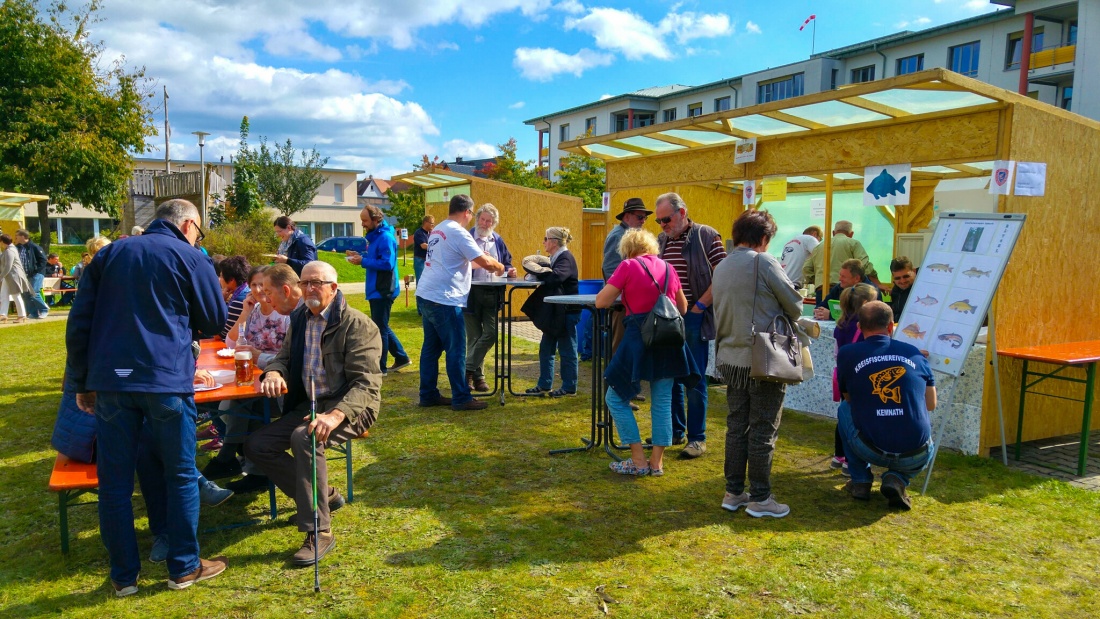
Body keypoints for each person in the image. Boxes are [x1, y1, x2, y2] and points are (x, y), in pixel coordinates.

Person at [65, 199, 228, 595]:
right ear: (189, 224)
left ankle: (123, 577)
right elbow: (214, 320)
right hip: (164, 380)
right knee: (182, 474)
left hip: (111, 382)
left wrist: (81, 382)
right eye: (199, 231)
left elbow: (79, 321)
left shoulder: (109, 254)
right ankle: (184, 567)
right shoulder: (190, 256)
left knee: (116, 483)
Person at [245, 260, 383, 566]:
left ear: (333, 288)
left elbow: (366, 384)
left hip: (351, 409)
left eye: (316, 283)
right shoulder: (301, 320)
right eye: (305, 283)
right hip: (307, 406)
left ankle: (319, 531)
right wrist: (274, 373)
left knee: (304, 438)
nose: (309, 289)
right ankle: (326, 495)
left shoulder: (358, 325)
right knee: (256, 445)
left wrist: (335, 415)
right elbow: (283, 358)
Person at [712, 209, 803, 519]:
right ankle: (761, 498)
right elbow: (794, 304)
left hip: (730, 356)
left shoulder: (722, 265)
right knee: (763, 428)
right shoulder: (763, 262)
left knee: (737, 427)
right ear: (763, 238)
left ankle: (734, 491)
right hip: (762, 357)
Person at [597, 229, 696, 477]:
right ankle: (656, 463)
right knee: (662, 402)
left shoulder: (628, 266)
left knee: (614, 398)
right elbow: (682, 307)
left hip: (638, 338)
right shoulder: (669, 268)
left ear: (627, 249)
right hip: (668, 339)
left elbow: (601, 302)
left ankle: (638, 460)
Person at [837, 301, 936, 510]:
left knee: (844, 410)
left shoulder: (847, 353)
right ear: (891, 326)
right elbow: (931, 404)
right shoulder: (915, 353)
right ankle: (898, 478)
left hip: (869, 448)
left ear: (859, 327)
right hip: (916, 453)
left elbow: (848, 398)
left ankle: (860, 480)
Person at [415, 195, 506, 411]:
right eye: (473, 214)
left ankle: (427, 394)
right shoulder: (458, 232)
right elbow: (484, 262)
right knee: (456, 349)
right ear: (467, 212)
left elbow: (457, 262)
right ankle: (461, 396)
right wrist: (500, 266)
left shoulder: (438, 230)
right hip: (445, 299)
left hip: (428, 294)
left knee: (431, 349)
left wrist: (483, 261)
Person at [655, 192, 726, 459]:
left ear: (682, 212)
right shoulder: (661, 240)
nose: (663, 225)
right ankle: (675, 431)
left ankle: (697, 438)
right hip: (667, 318)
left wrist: (700, 307)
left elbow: (723, 272)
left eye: (666, 219)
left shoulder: (705, 235)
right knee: (670, 377)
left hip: (694, 315)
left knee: (694, 380)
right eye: (659, 221)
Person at [348, 205, 411, 375]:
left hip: (383, 290)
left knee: (379, 328)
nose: (363, 224)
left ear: (376, 220)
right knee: (381, 325)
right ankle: (401, 357)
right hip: (377, 289)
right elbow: (377, 258)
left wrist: (363, 261)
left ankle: (380, 367)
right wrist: (360, 256)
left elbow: (387, 264)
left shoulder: (385, 238)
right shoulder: (375, 237)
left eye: (365, 221)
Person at [464, 203, 517, 392]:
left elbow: (507, 263)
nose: (485, 223)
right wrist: (479, 261)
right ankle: (477, 379)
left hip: (492, 293)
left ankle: (467, 370)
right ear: (477, 218)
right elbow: (459, 264)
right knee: (475, 337)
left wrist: (510, 271)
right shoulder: (467, 237)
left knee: (491, 334)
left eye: (489, 221)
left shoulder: (497, 240)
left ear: (494, 223)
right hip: (470, 293)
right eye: (483, 219)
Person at [828, 283, 880, 473]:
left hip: (844, 375)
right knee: (858, 420)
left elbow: (836, 353)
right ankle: (851, 460)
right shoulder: (865, 326)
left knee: (844, 415)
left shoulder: (841, 323)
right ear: (866, 303)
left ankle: (839, 455)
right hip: (860, 376)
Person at [523, 226, 580, 398]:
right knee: (546, 348)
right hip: (557, 313)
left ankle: (569, 387)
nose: (543, 242)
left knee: (567, 349)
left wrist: (540, 273)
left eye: (545, 239)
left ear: (554, 242)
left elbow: (556, 278)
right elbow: (551, 275)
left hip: (567, 312)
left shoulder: (565, 258)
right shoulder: (556, 258)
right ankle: (544, 384)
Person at [602, 197, 652, 355]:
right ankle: (617, 378)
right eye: (640, 217)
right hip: (622, 303)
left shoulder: (627, 235)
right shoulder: (618, 236)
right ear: (627, 216)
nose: (643, 221)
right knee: (621, 346)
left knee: (628, 346)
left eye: (645, 217)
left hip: (629, 302)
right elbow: (610, 269)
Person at [803, 220, 882, 302]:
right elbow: (864, 265)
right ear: (851, 234)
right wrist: (877, 284)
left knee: (821, 313)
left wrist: (818, 281)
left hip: (821, 289)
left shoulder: (819, 247)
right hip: (845, 290)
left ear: (833, 233)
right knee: (844, 314)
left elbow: (806, 268)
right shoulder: (853, 243)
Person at [814, 259, 883, 319]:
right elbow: (821, 306)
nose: (839, 279)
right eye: (840, 275)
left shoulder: (871, 292)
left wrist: (831, 315)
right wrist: (818, 312)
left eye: (843, 276)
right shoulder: (838, 288)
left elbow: (867, 317)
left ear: (857, 278)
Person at [13, 229, 49, 319]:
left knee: (34, 292)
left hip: (36, 274)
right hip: (24, 275)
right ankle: (33, 313)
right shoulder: (18, 247)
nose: (15, 237)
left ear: (22, 236)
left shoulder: (34, 247)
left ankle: (44, 310)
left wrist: (36, 270)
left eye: (17, 235)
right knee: (25, 294)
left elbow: (43, 260)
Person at [216, 256, 251, 340]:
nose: (219, 279)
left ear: (231, 280)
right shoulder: (245, 290)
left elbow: (219, 333)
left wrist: (219, 302)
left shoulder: (239, 300)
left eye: (221, 276)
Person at [0, 234, 30, 324]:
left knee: (16, 295)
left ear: (2, 242)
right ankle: (3, 314)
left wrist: (0, 276)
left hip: (13, 276)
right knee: (3, 295)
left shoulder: (10, 251)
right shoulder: (8, 249)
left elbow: (8, 266)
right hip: (7, 276)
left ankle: (22, 315)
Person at [412, 215, 435, 316]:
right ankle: (420, 309)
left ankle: (428, 307)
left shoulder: (430, 233)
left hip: (428, 261)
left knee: (428, 284)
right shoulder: (419, 233)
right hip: (420, 261)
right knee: (421, 284)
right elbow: (423, 246)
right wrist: (436, 246)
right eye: (431, 223)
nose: (433, 225)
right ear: (425, 222)